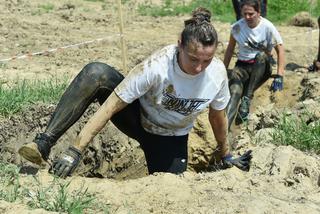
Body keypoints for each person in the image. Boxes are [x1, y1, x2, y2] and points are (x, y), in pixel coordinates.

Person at [18, 7, 252, 178]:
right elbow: (111, 105)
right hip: (138, 119)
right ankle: (43, 143)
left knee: (168, 190)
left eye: (207, 60)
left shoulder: (218, 73)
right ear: (180, 43)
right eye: (193, 59)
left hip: (171, 139)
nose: (199, 68)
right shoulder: (157, 66)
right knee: (96, 73)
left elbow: (217, 116)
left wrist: (225, 154)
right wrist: (75, 150)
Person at [223, 0, 285, 130]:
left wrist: (280, 75)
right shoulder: (237, 27)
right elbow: (230, 49)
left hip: (262, 67)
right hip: (242, 67)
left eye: (251, 14)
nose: (247, 17)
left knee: (261, 56)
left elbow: (280, 49)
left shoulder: (267, 27)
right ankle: (224, 136)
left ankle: (247, 98)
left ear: (258, 12)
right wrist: (223, 70)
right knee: (234, 92)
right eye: (244, 14)